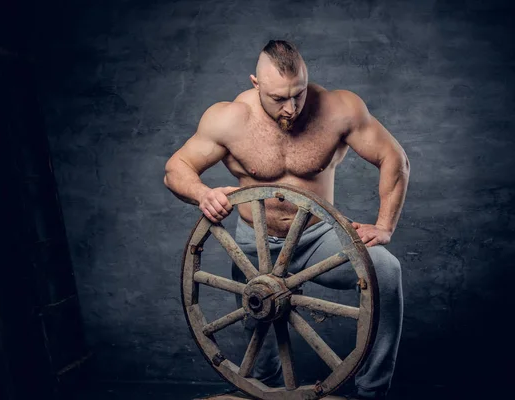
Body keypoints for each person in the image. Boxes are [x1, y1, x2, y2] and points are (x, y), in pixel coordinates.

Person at [164, 40, 410, 399]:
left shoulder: (339, 109)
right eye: (279, 98)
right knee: (261, 357)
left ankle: (373, 391)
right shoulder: (229, 119)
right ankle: (264, 390)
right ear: (256, 83)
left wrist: (385, 224)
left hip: (318, 239)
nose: (292, 107)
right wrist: (203, 193)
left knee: (386, 271)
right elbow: (176, 169)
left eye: (299, 93)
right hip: (254, 249)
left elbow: (395, 158)